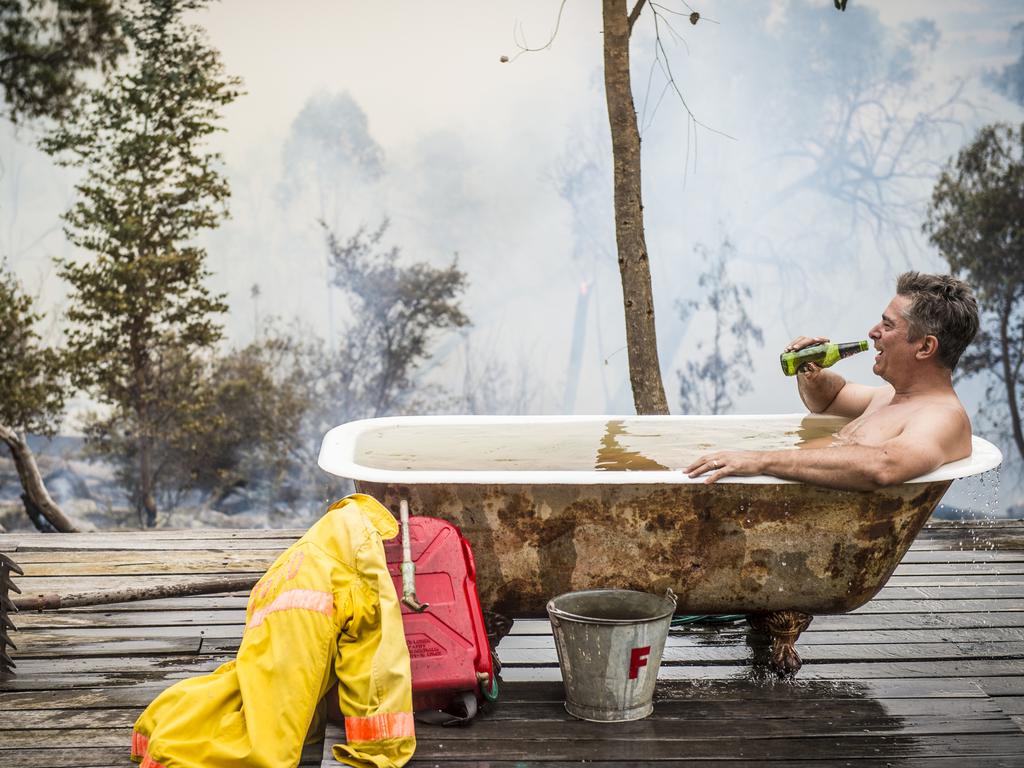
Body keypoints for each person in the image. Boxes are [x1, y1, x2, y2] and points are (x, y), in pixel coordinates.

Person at [685, 272, 980, 490]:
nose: (872, 332)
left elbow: (884, 466)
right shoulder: (893, 396)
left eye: (887, 325)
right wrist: (810, 373)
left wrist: (760, 460)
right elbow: (829, 400)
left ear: (925, 347)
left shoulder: (942, 417)